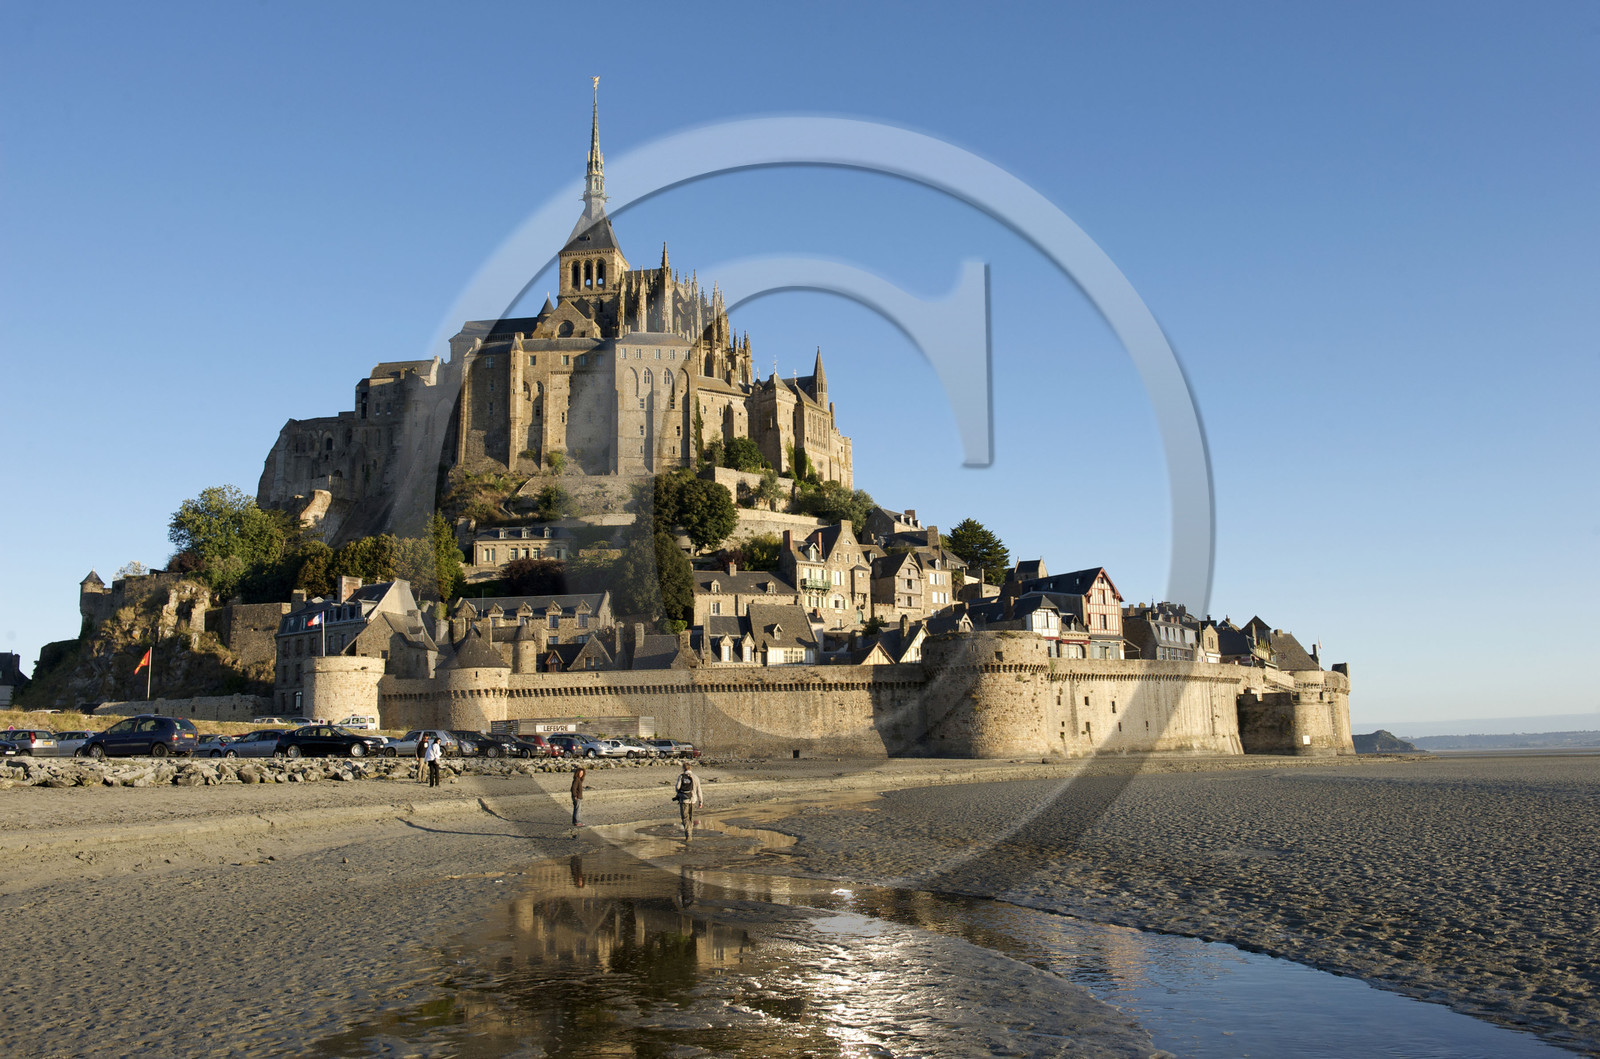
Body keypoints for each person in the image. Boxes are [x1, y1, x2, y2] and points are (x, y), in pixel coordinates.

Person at [674, 762, 703, 840]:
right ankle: (690, 832)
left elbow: (677, 787)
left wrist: (679, 793)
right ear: (690, 768)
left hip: (684, 800)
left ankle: (688, 834)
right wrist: (701, 801)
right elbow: (699, 790)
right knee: (690, 817)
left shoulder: (681, 776)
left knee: (684, 817)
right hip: (693, 800)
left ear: (683, 768)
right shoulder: (696, 777)